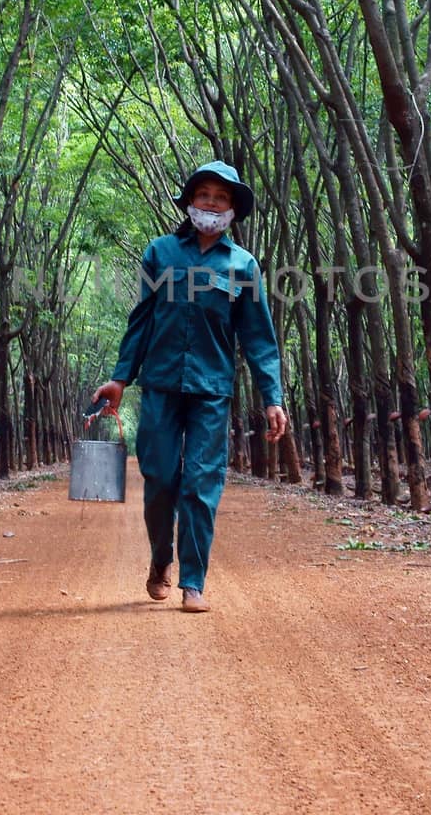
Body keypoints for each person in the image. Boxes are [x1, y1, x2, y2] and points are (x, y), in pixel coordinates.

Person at [92, 161, 288, 614]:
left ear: (233, 209)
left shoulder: (243, 265)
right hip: (160, 385)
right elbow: (141, 321)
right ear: (190, 201)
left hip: (212, 391)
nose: (211, 204)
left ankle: (193, 582)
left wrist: (272, 397)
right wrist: (121, 378)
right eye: (204, 195)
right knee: (160, 478)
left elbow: (259, 337)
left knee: (201, 484)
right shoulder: (160, 253)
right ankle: (161, 560)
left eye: (221, 198)